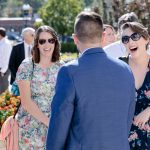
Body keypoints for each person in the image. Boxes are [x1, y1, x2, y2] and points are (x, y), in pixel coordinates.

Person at [46, 11, 135, 150]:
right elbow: (127, 118)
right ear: (103, 35)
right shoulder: (125, 69)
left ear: (75, 39)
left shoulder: (69, 71)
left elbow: (60, 122)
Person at [15, 25, 62, 149]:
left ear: (55, 42)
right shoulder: (27, 66)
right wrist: (48, 122)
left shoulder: (61, 66)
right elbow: (26, 102)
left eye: (50, 40)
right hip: (31, 128)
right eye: (42, 41)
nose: (47, 45)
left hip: (55, 127)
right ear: (37, 44)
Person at [119, 22, 150, 150]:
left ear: (146, 39)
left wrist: (148, 111)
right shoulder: (118, 66)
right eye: (125, 39)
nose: (130, 41)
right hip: (123, 138)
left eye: (135, 36)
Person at [0, 27, 12, 94]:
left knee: (3, 89)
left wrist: (3, 71)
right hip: (1, 68)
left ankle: (4, 104)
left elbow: (7, 58)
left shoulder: (6, 44)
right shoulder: (1, 43)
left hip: (3, 69)